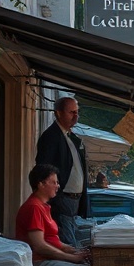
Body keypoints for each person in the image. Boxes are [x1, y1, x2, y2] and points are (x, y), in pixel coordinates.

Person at [15, 162, 91, 266]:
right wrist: (71, 257)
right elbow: (40, 246)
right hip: (39, 263)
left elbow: (53, 241)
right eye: (54, 182)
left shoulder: (43, 206)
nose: (58, 186)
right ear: (41, 184)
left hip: (50, 259)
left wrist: (74, 250)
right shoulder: (34, 207)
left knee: (91, 265)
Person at [35, 96, 89, 246]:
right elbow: (44, 168)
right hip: (62, 199)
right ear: (58, 113)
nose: (76, 116)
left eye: (77, 112)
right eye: (71, 112)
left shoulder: (71, 137)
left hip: (74, 200)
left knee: (72, 241)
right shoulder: (51, 137)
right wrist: (54, 195)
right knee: (67, 242)